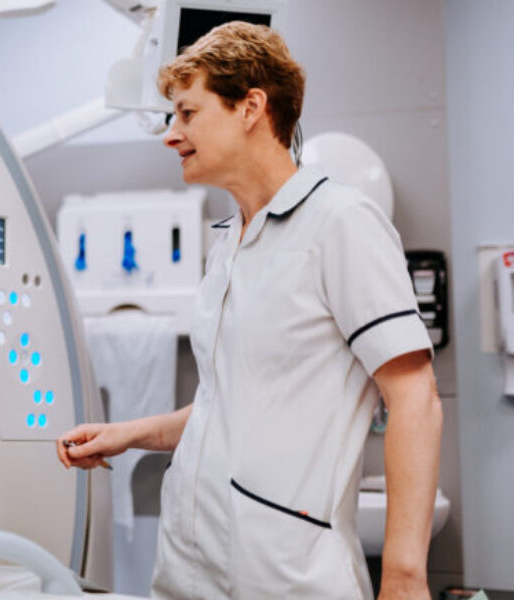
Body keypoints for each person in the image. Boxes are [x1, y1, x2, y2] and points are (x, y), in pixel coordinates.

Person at [56, 22, 441, 600]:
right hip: (189, 566)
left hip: (286, 574)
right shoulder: (228, 244)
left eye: (187, 113)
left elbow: (416, 397)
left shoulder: (339, 222)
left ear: (250, 108)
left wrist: (404, 578)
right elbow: (227, 405)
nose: (171, 134)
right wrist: (126, 433)